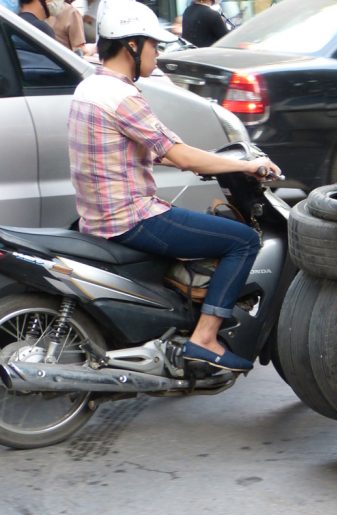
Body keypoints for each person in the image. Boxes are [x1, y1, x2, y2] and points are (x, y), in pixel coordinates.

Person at [68, 0, 280, 372]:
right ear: (131, 45)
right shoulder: (123, 97)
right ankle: (205, 339)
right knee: (242, 241)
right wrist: (246, 165)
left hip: (96, 217)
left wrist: (207, 162)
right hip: (132, 218)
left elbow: (142, 150)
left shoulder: (89, 87)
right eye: (154, 45)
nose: (158, 53)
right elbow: (179, 154)